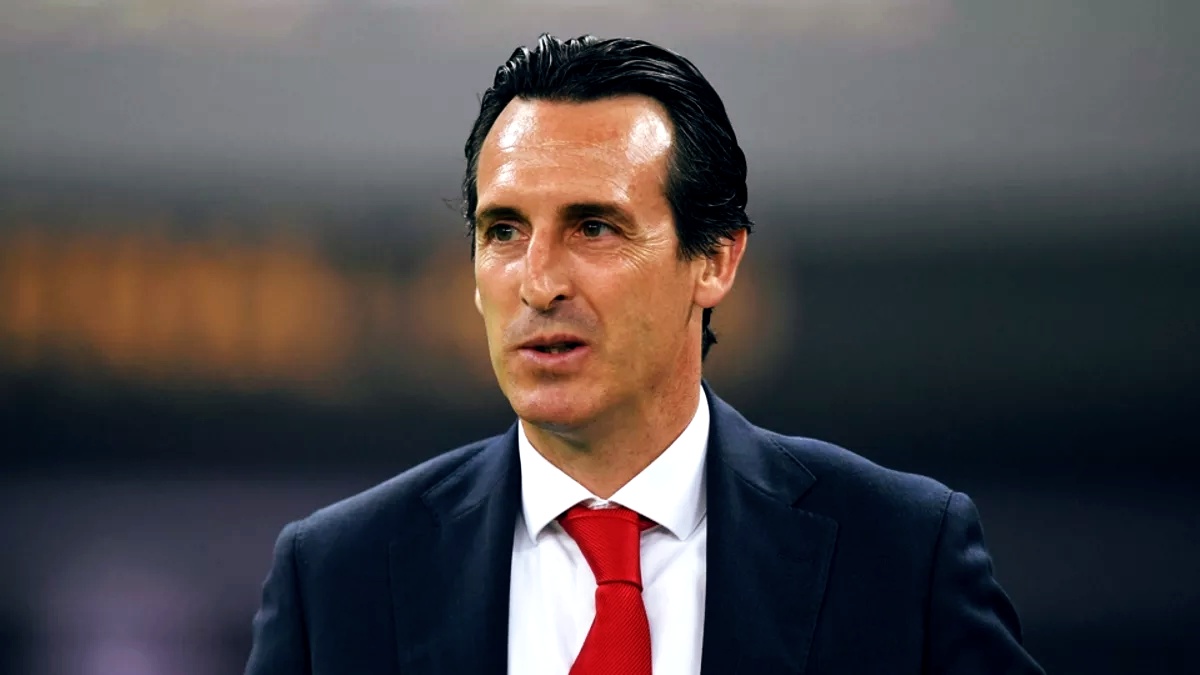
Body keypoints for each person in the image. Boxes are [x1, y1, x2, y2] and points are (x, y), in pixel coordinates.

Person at [244, 34, 1044, 674]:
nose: (540, 282)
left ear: (716, 260)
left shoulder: (900, 554)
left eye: (594, 227)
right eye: (504, 231)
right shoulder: (338, 578)